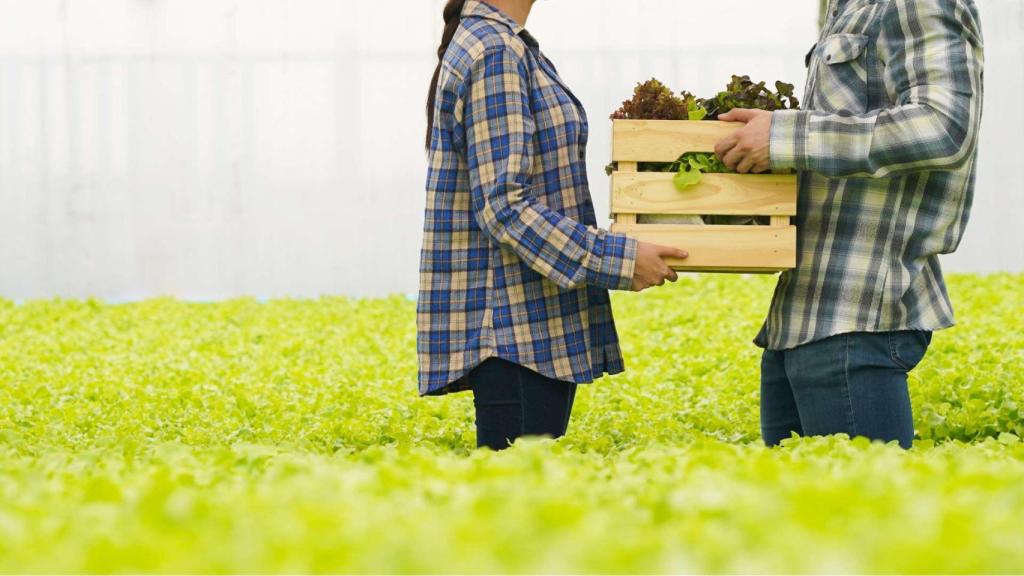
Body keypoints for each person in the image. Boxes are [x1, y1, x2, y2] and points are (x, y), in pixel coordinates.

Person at [714, 0, 985, 449]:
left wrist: (785, 136)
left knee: (867, 514)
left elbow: (944, 127)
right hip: (801, 317)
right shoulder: (846, 7)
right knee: (799, 514)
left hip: (856, 313)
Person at [419, 0, 688, 450]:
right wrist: (619, 259)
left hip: (531, 333)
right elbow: (503, 206)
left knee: (523, 504)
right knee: (515, 508)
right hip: (513, 334)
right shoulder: (495, 51)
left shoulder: (507, 45)